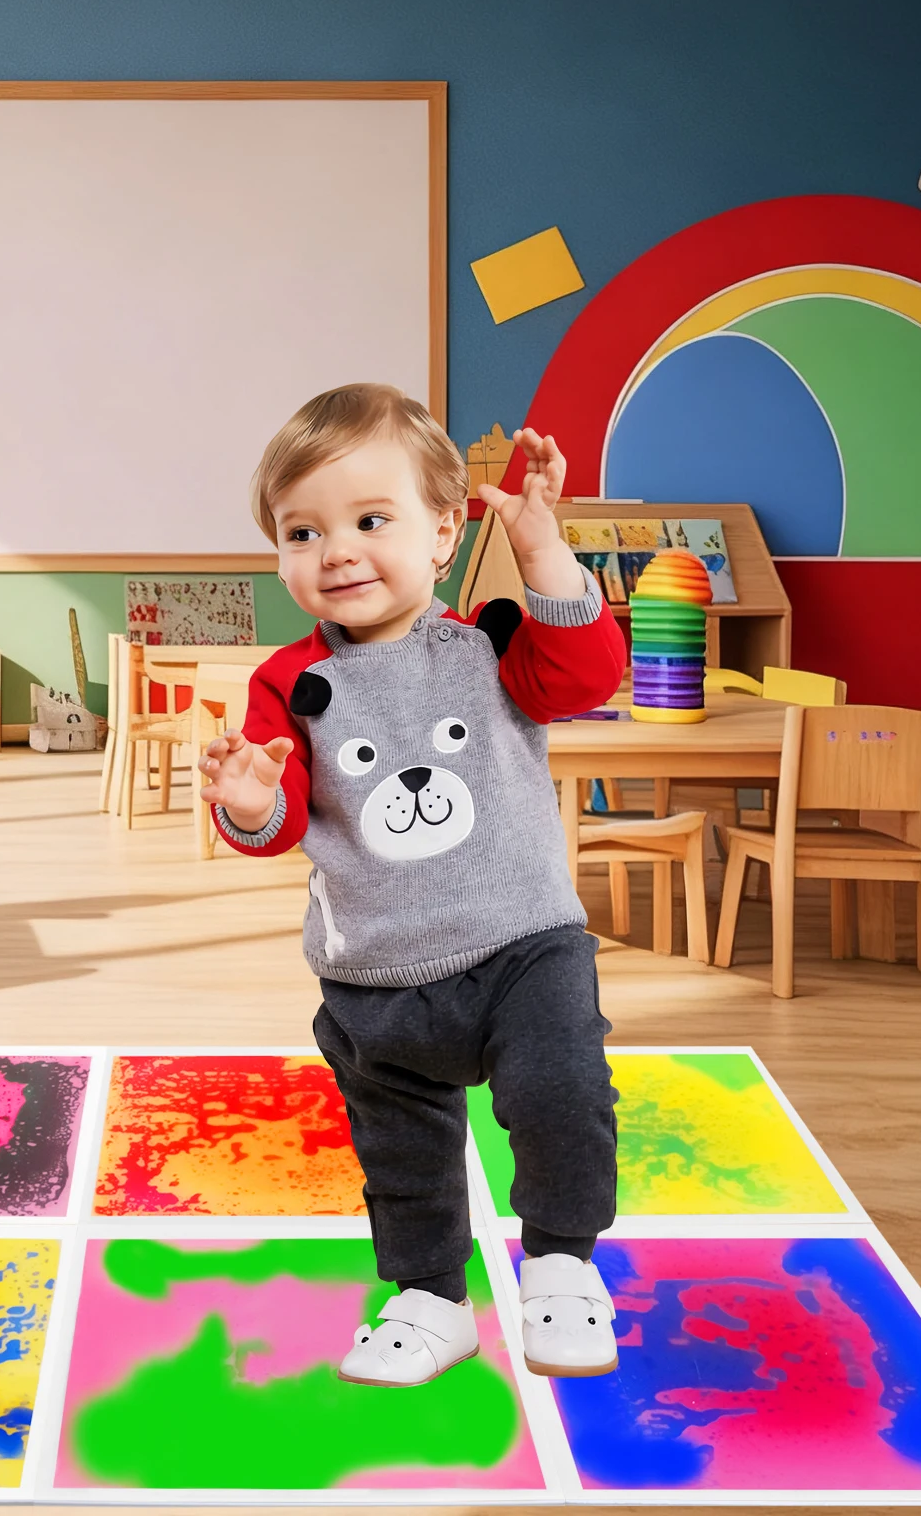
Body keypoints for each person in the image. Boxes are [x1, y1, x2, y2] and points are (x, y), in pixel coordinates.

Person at [199, 383, 628, 1387]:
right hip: (374, 967)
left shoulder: (490, 645)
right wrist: (254, 799)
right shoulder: (287, 684)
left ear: (443, 531)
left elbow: (586, 675)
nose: (335, 549)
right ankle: (430, 1295)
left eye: (368, 519)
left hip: (522, 942)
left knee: (562, 1093)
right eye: (301, 531)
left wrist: (542, 550)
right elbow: (280, 823)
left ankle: (561, 1263)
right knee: (401, 1149)